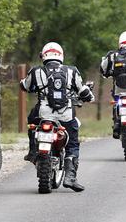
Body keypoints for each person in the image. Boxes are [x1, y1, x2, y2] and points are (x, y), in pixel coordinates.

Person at [20, 42, 94, 192]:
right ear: (61, 55)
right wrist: (90, 97)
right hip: (65, 115)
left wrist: (24, 84)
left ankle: (33, 151)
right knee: (72, 144)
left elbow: (25, 86)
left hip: (44, 114)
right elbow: (82, 90)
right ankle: (70, 177)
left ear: (44, 55)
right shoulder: (71, 71)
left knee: (31, 121)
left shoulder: (36, 71)